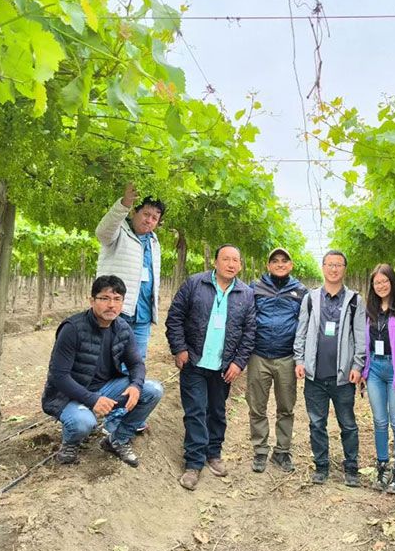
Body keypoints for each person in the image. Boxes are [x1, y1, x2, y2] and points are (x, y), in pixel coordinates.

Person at [41, 275, 164, 467]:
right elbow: (59, 375)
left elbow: (136, 364)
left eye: (117, 299)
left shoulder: (122, 328)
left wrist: (135, 385)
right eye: (105, 298)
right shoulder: (72, 328)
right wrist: (93, 400)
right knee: (83, 423)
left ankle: (118, 439)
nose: (111, 305)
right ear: (92, 301)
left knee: (153, 390)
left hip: (106, 388)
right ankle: (70, 444)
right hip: (69, 395)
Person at [165, 244, 256, 490]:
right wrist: (179, 348)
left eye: (235, 260)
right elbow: (175, 317)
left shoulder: (246, 294)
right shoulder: (195, 284)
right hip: (194, 361)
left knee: (216, 411)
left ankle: (213, 453)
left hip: (224, 366)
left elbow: (249, 332)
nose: (231, 264)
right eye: (226, 259)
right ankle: (194, 463)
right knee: (196, 411)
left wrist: (238, 362)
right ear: (215, 262)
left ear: (240, 265)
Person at [95, 183, 165, 434]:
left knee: (136, 365)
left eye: (155, 217)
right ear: (134, 212)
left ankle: (124, 416)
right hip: (118, 312)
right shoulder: (118, 233)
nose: (149, 220)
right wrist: (123, 203)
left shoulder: (154, 242)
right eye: (146, 214)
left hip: (142, 314)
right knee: (114, 366)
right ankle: (111, 419)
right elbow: (102, 231)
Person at [293, 250, 365, 487]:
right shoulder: (310, 299)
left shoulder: (354, 300)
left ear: (345, 269)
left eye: (338, 265)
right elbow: (301, 331)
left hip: (343, 377)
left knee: (348, 424)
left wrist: (357, 365)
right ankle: (321, 466)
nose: (334, 269)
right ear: (323, 267)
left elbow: (360, 336)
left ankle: (351, 467)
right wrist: (300, 360)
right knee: (317, 423)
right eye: (330, 264)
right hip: (315, 376)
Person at [247, 248, 308, 473]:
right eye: (275, 261)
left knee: (286, 407)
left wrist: (302, 358)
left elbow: (305, 325)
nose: (280, 264)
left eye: (284, 261)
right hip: (259, 356)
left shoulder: (301, 291)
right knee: (257, 406)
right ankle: (260, 450)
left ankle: (282, 451)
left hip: (287, 358)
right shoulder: (255, 288)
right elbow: (246, 318)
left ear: (291, 265)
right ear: (268, 265)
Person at [361, 263, 395, 494]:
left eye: (385, 281)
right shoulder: (369, 310)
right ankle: (382, 465)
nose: (381, 286)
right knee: (380, 421)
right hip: (375, 369)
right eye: (377, 282)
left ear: (393, 282)